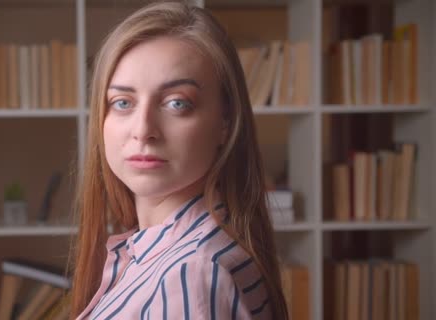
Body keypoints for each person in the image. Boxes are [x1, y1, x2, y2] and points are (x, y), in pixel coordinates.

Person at [69, 2, 288, 319]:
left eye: (176, 103)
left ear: (225, 122)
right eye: (122, 102)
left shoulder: (192, 274)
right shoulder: (162, 250)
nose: (143, 130)